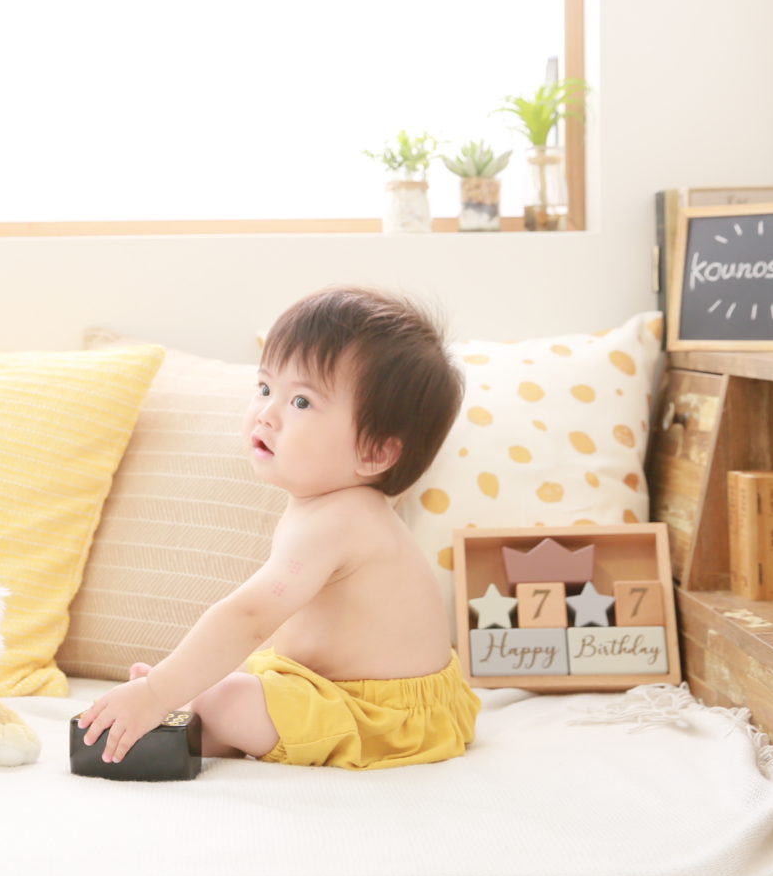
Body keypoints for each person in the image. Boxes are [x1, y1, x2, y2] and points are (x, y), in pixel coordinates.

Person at [76, 284, 479, 771]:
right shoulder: (329, 508)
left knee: (224, 698)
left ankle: (180, 713)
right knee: (219, 683)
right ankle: (183, 712)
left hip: (378, 717)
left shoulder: (341, 520)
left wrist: (159, 690)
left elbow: (249, 616)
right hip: (333, 689)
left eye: (302, 402)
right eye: (265, 389)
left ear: (375, 451)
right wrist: (178, 683)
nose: (266, 413)